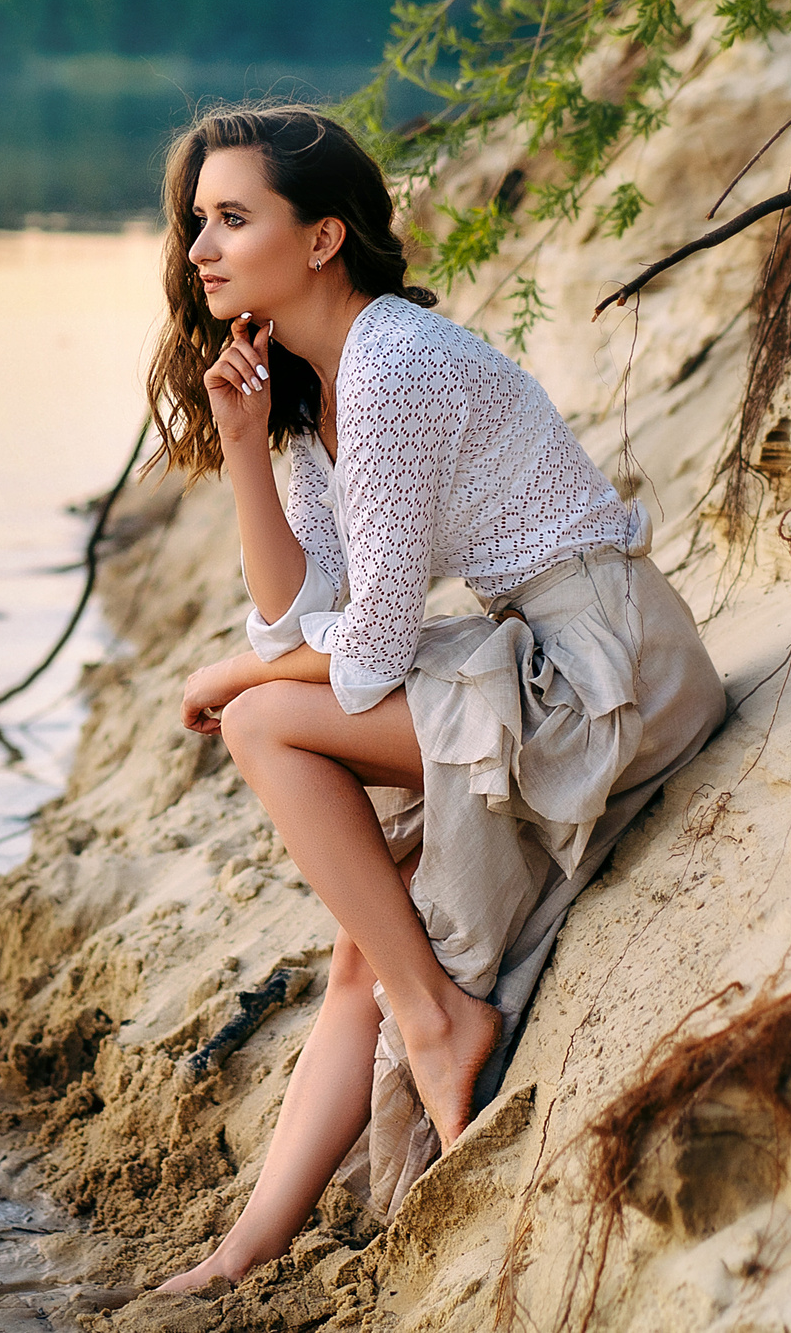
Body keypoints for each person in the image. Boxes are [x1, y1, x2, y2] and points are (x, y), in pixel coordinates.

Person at [144, 105, 726, 1294]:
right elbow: (299, 620)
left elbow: (359, 654)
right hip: (546, 656)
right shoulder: (310, 389)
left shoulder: (395, 360)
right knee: (370, 941)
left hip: (612, 661)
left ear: (321, 239)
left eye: (233, 217)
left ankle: (437, 1021)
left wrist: (231, 677)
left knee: (258, 717)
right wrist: (246, 444)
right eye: (197, 220)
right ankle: (246, 1248)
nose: (201, 247)